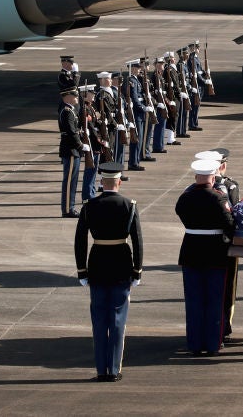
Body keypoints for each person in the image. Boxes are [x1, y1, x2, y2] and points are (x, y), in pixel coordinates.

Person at [74, 162, 143, 382]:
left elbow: (80, 241)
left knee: (99, 319)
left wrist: (82, 270)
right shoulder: (129, 205)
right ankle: (113, 369)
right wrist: (137, 270)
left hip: (97, 263)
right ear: (119, 182)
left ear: (101, 182)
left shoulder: (90, 206)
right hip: (121, 264)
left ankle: (101, 369)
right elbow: (137, 241)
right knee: (117, 319)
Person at [175, 158, 235, 355]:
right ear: (213, 177)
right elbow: (229, 224)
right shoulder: (219, 198)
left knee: (194, 301)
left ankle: (194, 344)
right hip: (214, 253)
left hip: (191, 251)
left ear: (195, 177)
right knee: (215, 301)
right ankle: (212, 344)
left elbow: (180, 212)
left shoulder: (185, 198)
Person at [59, 88, 87, 217]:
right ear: (68, 96)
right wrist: (80, 145)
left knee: (73, 181)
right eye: (74, 95)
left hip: (73, 149)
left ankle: (70, 207)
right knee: (70, 181)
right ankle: (67, 209)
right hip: (70, 149)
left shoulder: (71, 110)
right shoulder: (67, 111)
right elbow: (71, 132)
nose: (77, 97)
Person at [126, 60, 147, 171]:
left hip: (139, 112)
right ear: (133, 68)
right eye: (138, 68)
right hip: (136, 113)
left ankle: (136, 161)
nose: (140, 69)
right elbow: (134, 98)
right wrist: (143, 107)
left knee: (139, 137)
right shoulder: (131, 81)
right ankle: (133, 163)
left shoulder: (136, 80)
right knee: (136, 138)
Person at [186, 42, 205, 131]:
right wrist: (204, 81)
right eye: (197, 47)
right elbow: (195, 73)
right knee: (194, 105)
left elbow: (199, 70)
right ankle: (192, 124)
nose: (198, 49)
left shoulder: (195, 58)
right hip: (196, 84)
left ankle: (194, 123)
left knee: (196, 105)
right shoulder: (192, 58)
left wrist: (205, 72)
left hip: (199, 85)